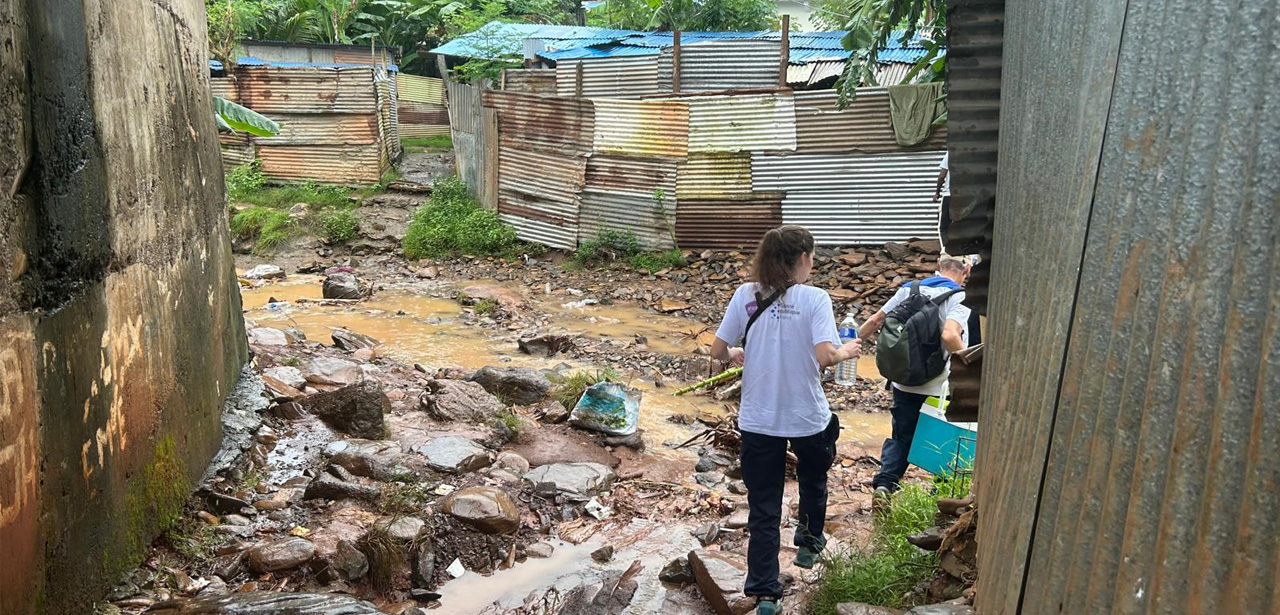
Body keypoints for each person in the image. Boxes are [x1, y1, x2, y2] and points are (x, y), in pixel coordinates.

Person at [711, 226, 861, 615]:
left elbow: (718, 349)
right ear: (804, 258)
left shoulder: (746, 295)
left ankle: (765, 594)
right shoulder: (815, 298)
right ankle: (809, 545)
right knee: (814, 480)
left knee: (763, 507)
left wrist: (737, 354)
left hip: (758, 420)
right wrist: (849, 350)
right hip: (807, 417)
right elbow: (826, 357)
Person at [858, 254, 971, 498]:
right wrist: (969, 369)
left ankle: (885, 485)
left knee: (901, 438)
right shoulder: (961, 297)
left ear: (937, 267)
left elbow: (876, 320)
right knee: (945, 438)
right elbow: (950, 336)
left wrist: (849, 345)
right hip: (940, 387)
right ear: (967, 271)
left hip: (905, 381)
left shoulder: (909, 289)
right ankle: (940, 497)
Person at [934, 151, 951, 245]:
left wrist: (937, 192)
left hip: (950, 195)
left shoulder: (950, 153)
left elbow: (942, 176)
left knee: (944, 227)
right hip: (968, 197)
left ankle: (947, 253)